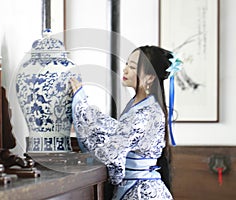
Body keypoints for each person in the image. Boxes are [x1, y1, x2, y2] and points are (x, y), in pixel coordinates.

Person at [70, 45, 182, 199]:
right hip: (137, 186)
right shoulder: (139, 105)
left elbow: (113, 148)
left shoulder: (148, 112)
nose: (125, 70)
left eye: (133, 67)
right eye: (127, 64)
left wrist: (80, 104)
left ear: (149, 77)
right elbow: (116, 131)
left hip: (142, 192)